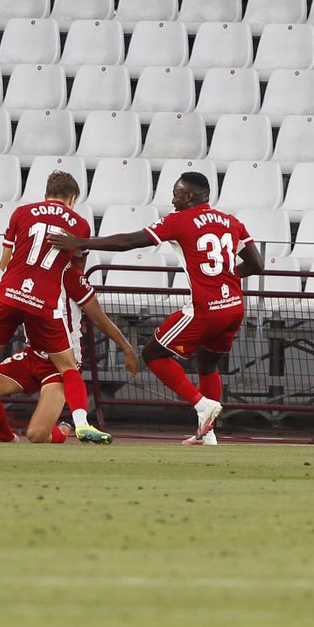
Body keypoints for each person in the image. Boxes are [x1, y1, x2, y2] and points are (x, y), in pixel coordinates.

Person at [52, 172, 263, 445]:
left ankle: (201, 405)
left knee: (153, 354)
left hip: (205, 309)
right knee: (208, 363)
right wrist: (226, 278)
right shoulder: (232, 221)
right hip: (233, 306)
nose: (172, 199)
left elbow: (129, 242)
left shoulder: (179, 220)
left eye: (176, 194)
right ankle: (208, 433)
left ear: (189, 196)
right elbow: (257, 265)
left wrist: (81, 243)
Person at [0, 170, 111, 444]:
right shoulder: (81, 224)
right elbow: (77, 269)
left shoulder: (21, 212)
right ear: (72, 199)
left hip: (11, 293)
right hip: (46, 300)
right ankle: (82, 423)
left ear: (46, 195)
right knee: (68, 367)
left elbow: (4, 262)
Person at [0, 262, 140, 443]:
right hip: (31, 356)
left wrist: (126, 347)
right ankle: (4, 434)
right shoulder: (20, 271)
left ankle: (64, 429)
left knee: (37, 435)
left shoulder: (69, 275)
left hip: (59, 363)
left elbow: (99, 317)